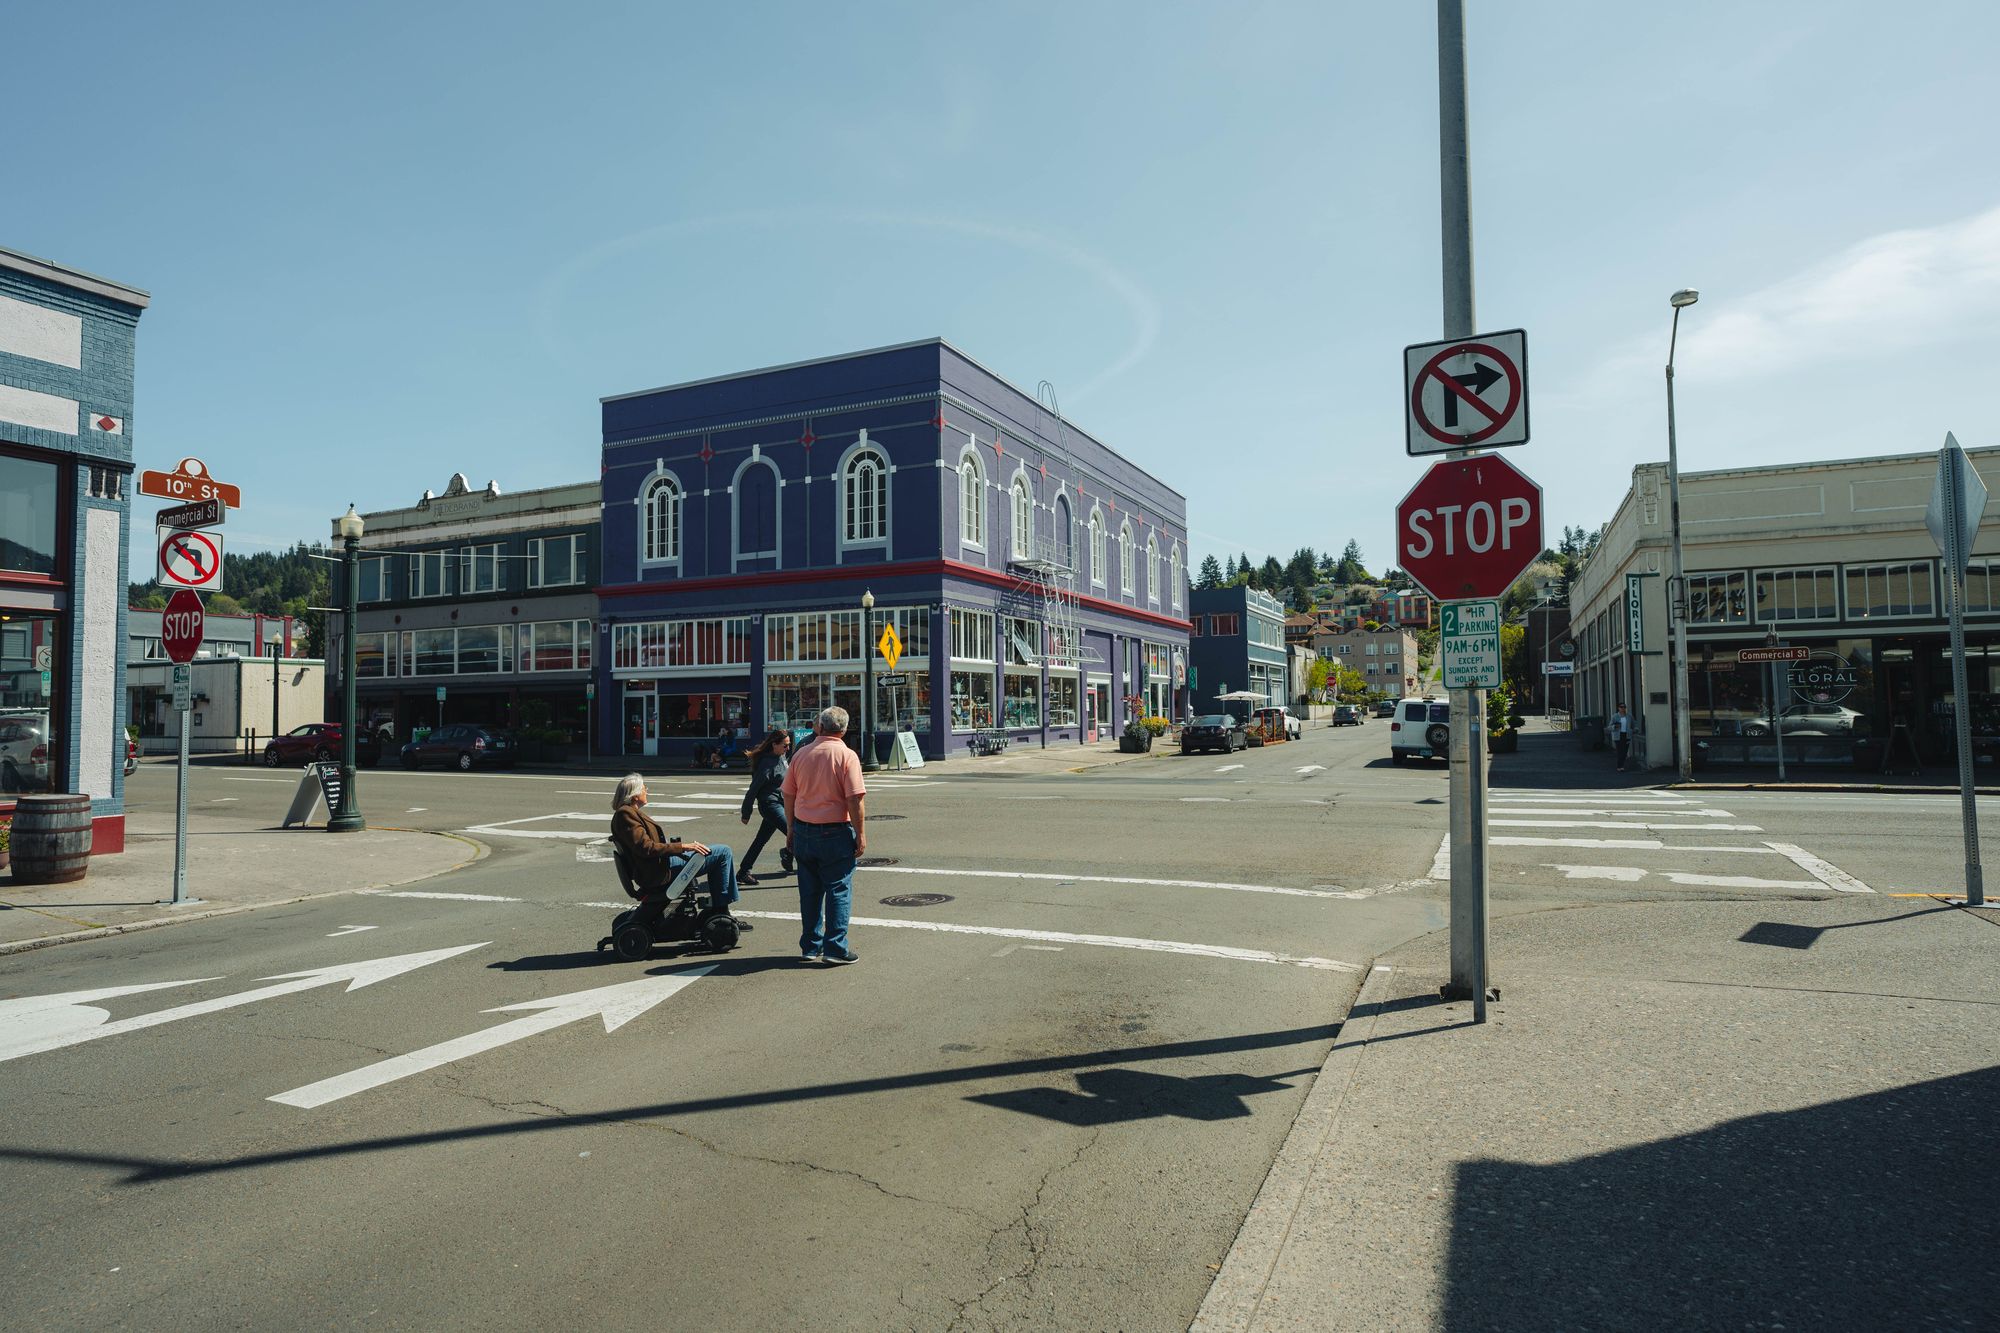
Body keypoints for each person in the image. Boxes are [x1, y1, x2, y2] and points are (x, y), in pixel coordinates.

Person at [609, 773, 751, 932]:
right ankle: (722, 912)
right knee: (723, 853)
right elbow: (646, 848)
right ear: (635, 795)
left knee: (717, 852)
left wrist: (678, 847)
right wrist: (683, 847)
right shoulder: (626, 814)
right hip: (658, 871)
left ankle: (720, 910)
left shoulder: (628, 813)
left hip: (658, 865)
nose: (646, 791)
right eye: (643, 788)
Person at [782, 706, 866, 964]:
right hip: (835, 831)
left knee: (809, 891)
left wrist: (790, 827)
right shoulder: (847, 755)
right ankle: (835, 948)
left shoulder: (801, 754)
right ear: (844, 729)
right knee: (838, 889)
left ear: (820, 727)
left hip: (804, 829)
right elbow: (855, 799)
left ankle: (810, 946)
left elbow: (788, 794)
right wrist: (860, 833)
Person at [737, 729, 795, 886]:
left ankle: (743, 872)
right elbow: (753, 790)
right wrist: (746, 812)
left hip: (781, 803)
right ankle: (810, 869)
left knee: (761, 840)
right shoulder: (766, 764)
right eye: (785, 745)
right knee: (794, 834)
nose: (787, 749)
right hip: (770, 805)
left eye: (789, 745)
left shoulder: (781, 757)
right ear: (774, 744)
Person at [1610, 703, 1633, 772]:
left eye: (1624, 707)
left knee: (1625, 751)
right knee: (1620, 751)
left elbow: (1634, 724)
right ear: (1618, 708)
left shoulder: (1629, 716)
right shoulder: (1615, 716)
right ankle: (1620, 766)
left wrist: (1634, 729)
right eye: (1621, 707)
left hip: (1626, 735)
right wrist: (1614, 726)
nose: (1623, 708)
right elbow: (1609, 726)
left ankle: (1621, 765)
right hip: (1618, 736)